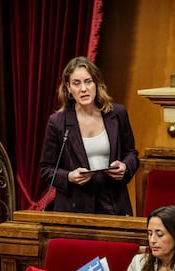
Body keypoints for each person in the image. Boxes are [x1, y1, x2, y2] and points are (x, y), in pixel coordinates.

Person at [39, 56, 139, 215]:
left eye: (88, 81)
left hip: (113, 202)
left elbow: (131, 153)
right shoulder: (58, 122)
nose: (83, 89)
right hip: (75, 206)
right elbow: (46, 169)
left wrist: (125, 167)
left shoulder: (117, 114)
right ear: (68, 87)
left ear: (96, 83)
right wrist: (69, 177)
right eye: (76, 83)